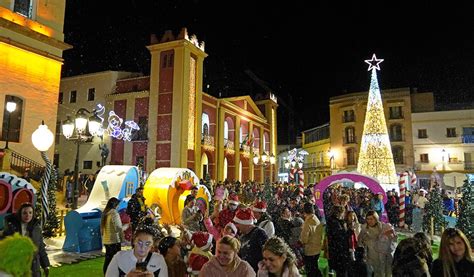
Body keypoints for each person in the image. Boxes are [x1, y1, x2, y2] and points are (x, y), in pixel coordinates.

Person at [2, 202, 50, 277]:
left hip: (34, 267)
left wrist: (45, 265)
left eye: (30, 212)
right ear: (20, 214)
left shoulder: (36, 229)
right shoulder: (11, 228)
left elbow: (40, 248)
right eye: (24, 213)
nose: (28, 215)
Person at [358, 210, 397, 277]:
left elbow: (393, 238)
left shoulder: (384, 226)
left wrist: (389, 235)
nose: (369, 221)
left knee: (387, 272)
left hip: (384, 256)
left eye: (371, 219)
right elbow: (360, 241)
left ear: (376, 219)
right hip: (372, 256)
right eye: (368, 219)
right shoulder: (364, 229)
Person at [233, 208, 269, 273]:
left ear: (245, 223)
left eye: (238, 223)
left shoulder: (259, 233)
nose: (236, 226)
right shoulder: (242, 237)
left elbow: (269, 254)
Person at [101, 197, 124, 274]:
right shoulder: (114, 213)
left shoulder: (106, 213)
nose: (118, 206)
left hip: (107, 240)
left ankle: (107, 274)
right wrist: (126, 226)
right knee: (115, 260)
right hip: (114, 240)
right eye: (118, 205)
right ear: (115, 205)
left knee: (108, 260)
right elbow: (118, 227)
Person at [300, 202, 323, 277]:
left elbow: (304, 239)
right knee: (315, 268)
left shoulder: (307, 222)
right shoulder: (316, 218)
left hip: (310, 251)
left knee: (311, 271)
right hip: (317, 248)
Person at [326, 205, 350, 277]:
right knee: (341, 271)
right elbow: (340, 236)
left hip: (335, 250)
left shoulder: (333, 221)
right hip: (338, 251)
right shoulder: (335, 223)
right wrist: (349, 231)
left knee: (340, 271)